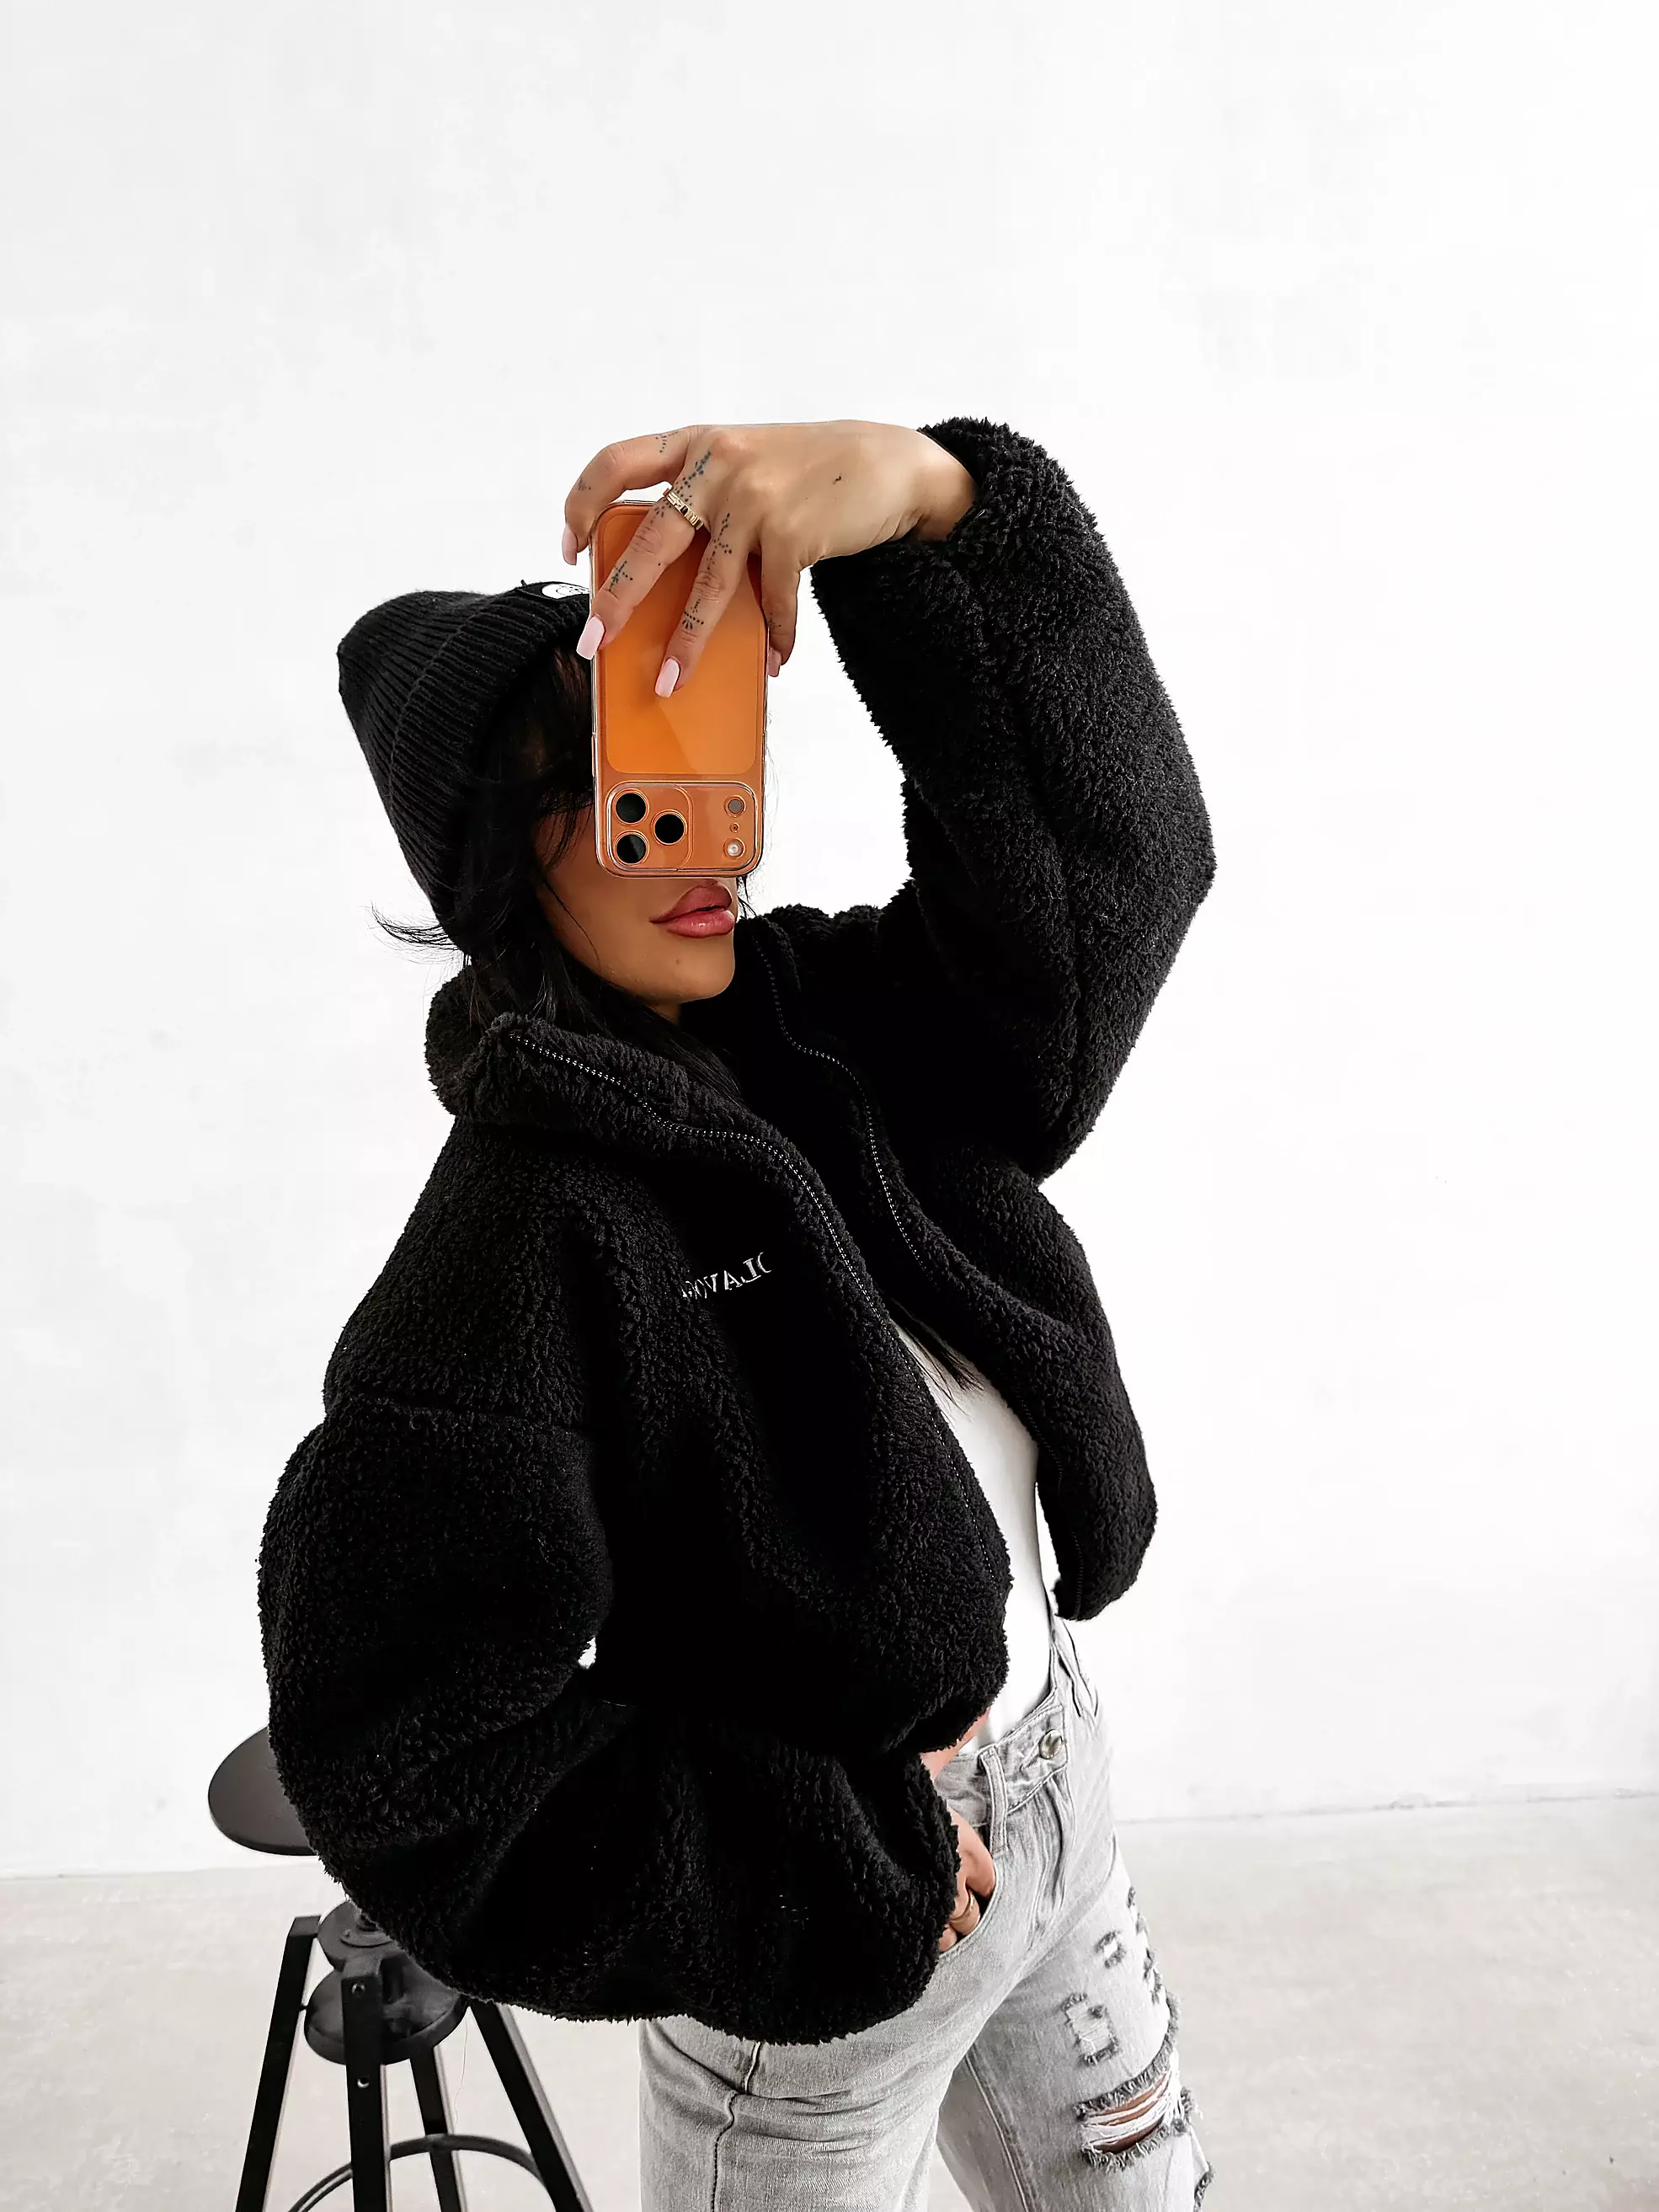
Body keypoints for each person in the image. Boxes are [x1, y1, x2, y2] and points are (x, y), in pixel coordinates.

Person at [257, 415, 1218, 2209]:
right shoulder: (514, 1242)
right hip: (833, 1956)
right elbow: (408, 1753)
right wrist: (813, 1864)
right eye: (616, 783)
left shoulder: (838, 1026)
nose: (701, 830)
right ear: (499, 861)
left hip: (1059, 1804)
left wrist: (934, 507)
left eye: (697, 745)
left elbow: (1116, 876)